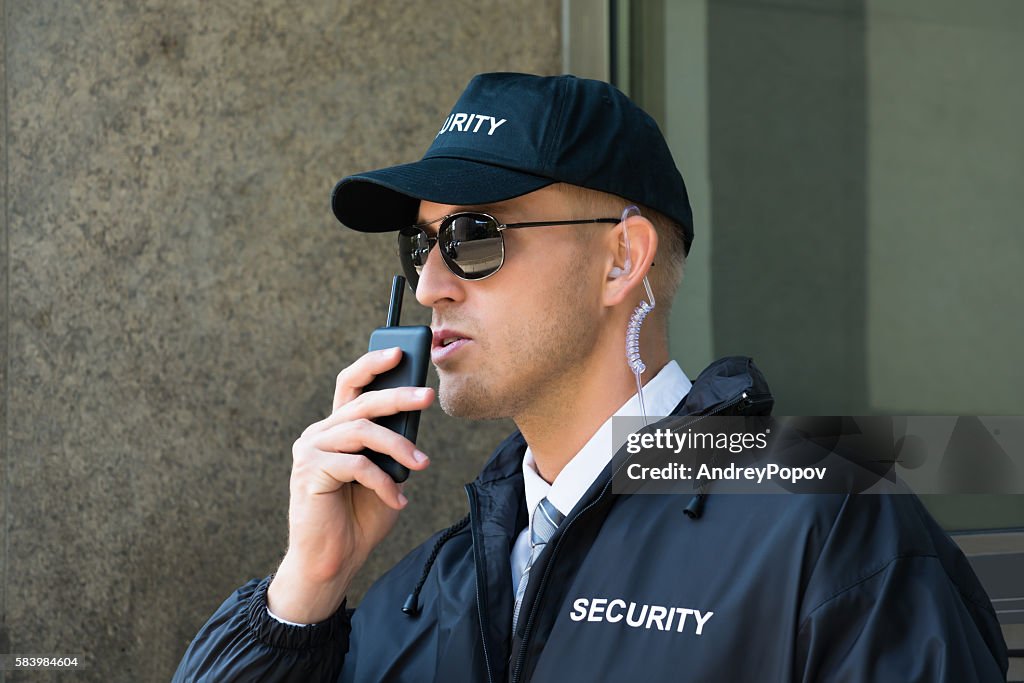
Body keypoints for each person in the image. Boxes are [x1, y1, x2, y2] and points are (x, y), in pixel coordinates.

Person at [173, 73, 1008, 682]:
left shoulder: (829, 530)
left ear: (621, 258)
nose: (431, 284)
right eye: (421, 246)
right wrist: (301, 594)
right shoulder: (420, 596)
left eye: (473, 235)